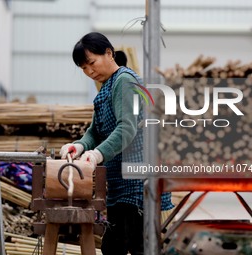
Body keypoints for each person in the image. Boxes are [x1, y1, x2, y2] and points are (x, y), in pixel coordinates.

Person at [60, 32, 174, 255]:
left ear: (109, 53)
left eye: (91, 63)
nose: (89, 71)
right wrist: (80, 146)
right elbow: (94, 132)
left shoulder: (124, 81)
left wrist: (97, 155)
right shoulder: (107, 87)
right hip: (121, 183)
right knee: (120, 246)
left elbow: (126, 128)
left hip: (137, 184)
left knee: (126, 246)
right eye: (84, 68)